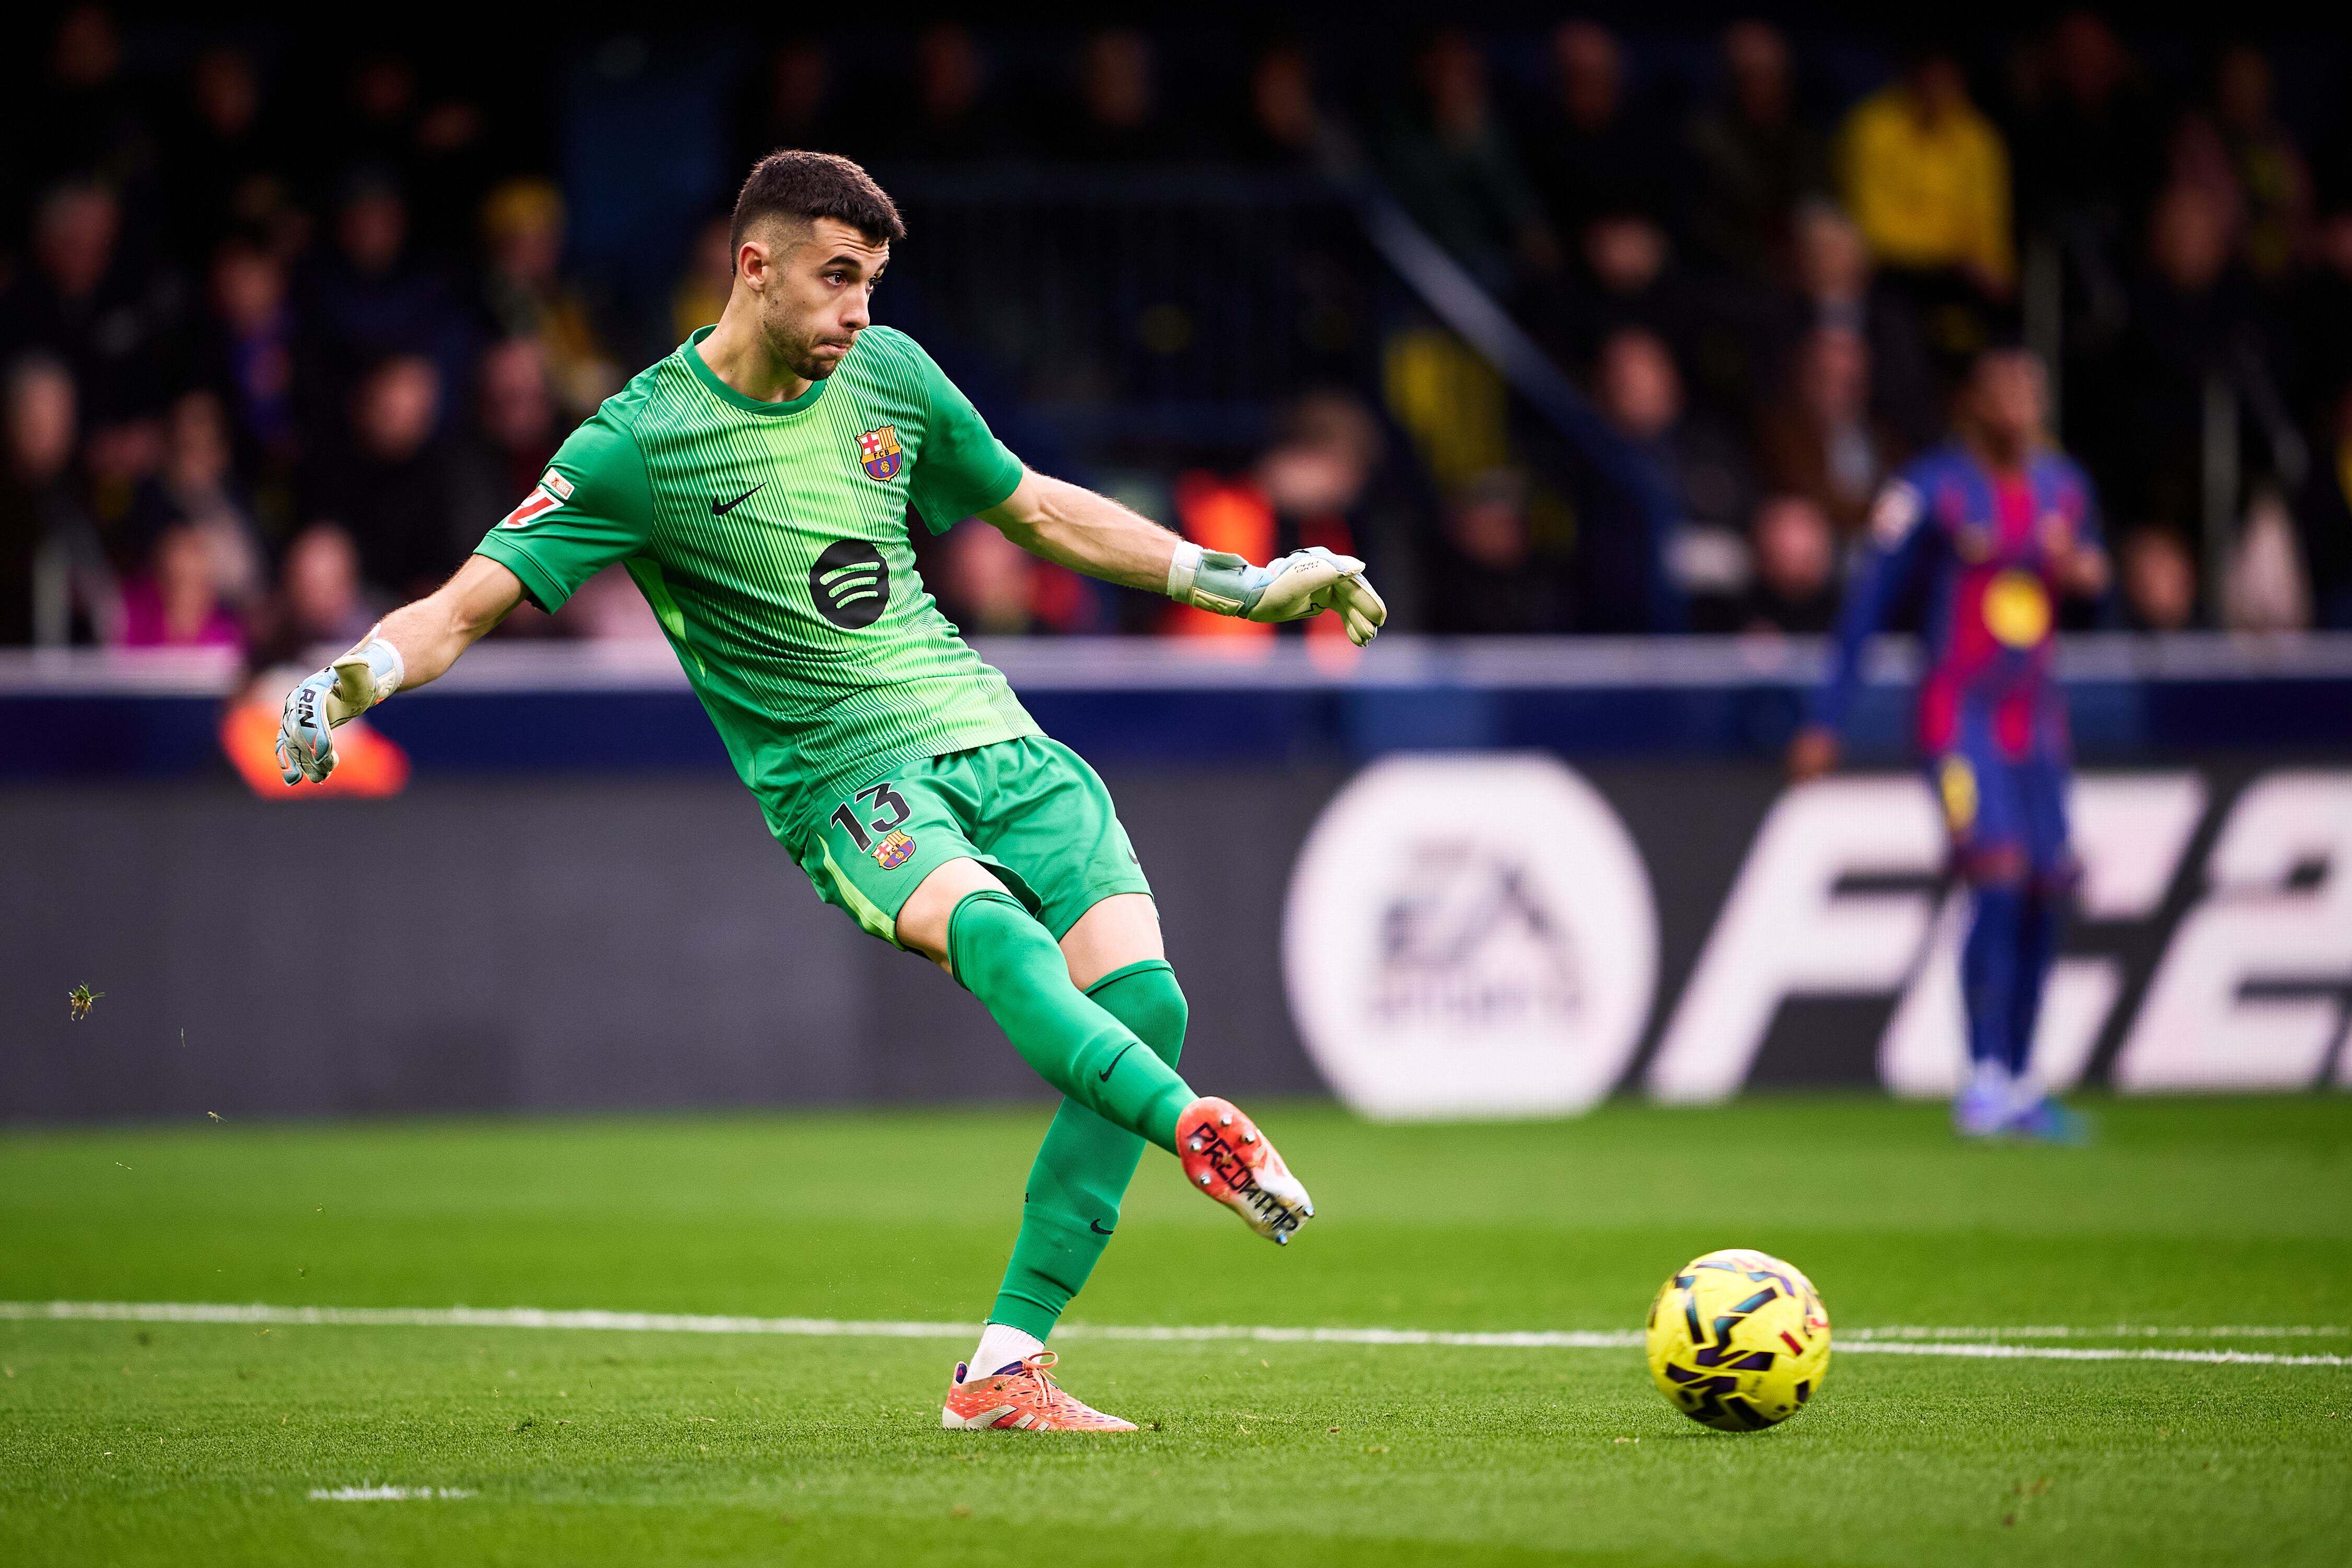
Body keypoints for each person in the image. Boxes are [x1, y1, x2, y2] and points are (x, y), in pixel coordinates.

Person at [270, 151, 1386, 1431]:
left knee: (1145, 998)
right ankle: (1196, 1129)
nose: (862, 310)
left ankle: (1003, 1371)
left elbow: (1038, 511)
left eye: (873, 282)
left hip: (996, 737)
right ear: (756, 267)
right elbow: (469, 601)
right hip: (850, 785)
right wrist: (349, 679)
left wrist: (1244, 583)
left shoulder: (892, 376)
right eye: (839, 278)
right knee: (1003, 945)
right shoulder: (639, 444)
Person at [1789, 345, 2108, 1140]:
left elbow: (2098, 604)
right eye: (2004, 390)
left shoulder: (2066, 490)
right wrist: (1827, 719)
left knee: (2046, 885)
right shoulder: (1929, 490)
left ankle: (2024, 1076)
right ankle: (1984, 1080)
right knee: (1995, 873)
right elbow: (1868, 606)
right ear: (1973, 402)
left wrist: (2092, 581)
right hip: (1956, 719)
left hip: (2035, 723)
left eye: (2030, 389)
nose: (2019, 406)